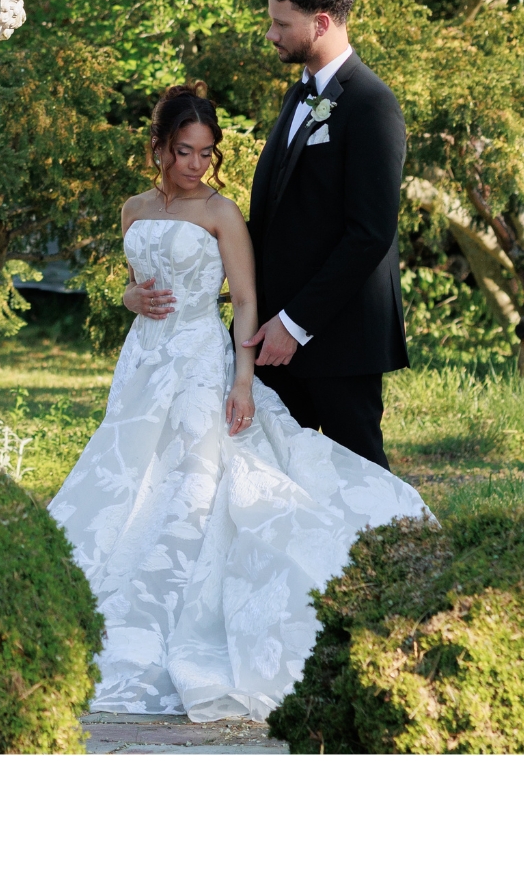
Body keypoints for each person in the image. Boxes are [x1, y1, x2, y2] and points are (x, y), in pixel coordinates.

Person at [47, 80, 428, 721]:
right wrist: (128, 299)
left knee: (195, 485)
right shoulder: (134, 209)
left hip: (200, 359)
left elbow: (247, 301)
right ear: (158, 148)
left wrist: (243, 379)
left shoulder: (222, 213)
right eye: (184, 151)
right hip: (143, 362)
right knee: (131, 477)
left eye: (206, 153)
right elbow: (135, 288)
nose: (196, 165)